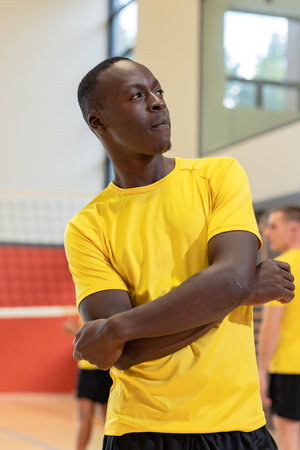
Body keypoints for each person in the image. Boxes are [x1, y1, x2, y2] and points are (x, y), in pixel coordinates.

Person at [64, 56, 295, 450]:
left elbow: (231, 278)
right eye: (138, 95)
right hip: (141, 431)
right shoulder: (87, 226)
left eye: (158, 91)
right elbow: (122, 355)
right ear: (98, 122)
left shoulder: (219, 176)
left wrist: (121, 327)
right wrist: (237, 291)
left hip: (242, 426)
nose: (157, 102)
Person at [258, 206, 300, 450]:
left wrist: (262, 371)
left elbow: (271, 328)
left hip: (289, 368)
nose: (267, 232)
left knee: (289, 440)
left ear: (293, 229)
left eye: (273, 225)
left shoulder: (281, 268)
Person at [63, 317, 112, 450]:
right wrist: (77, 330)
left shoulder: (110, 304)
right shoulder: (84, 306)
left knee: (109, 419)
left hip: (106, 367)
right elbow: (69, 326)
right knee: (85, 416)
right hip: (87, 368)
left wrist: (84, 333)